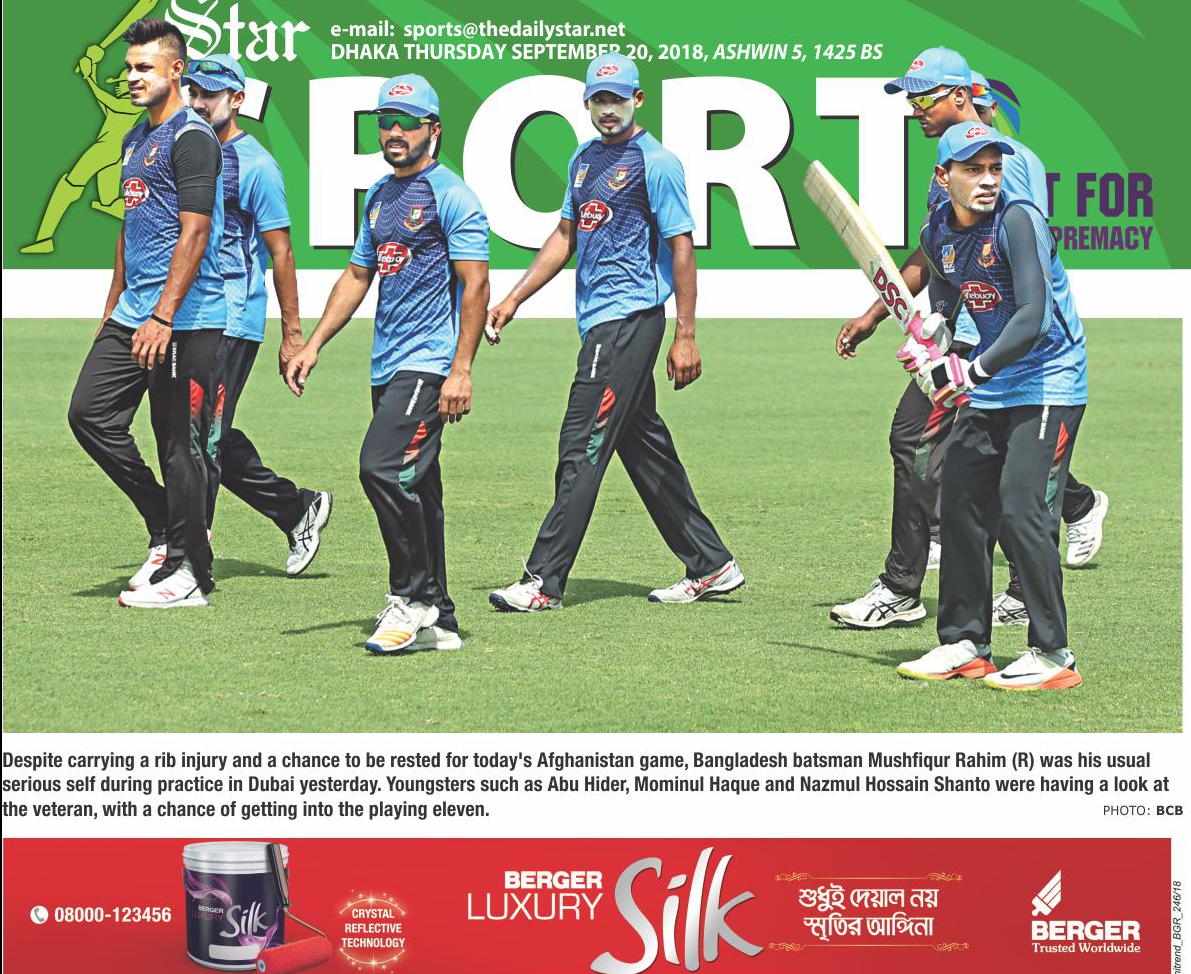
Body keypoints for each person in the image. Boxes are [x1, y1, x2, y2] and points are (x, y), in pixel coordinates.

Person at [829, 48, 1106, 630]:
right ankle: (922, 589)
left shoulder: (1010, 165)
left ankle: (969, 591)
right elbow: (941, 253)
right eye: (910, 99)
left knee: (954, 453)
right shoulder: (946, 163)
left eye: (923, 98)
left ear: (961, 96)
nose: (914, 109)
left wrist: (971, 353)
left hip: (1009, 348)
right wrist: (901, 319)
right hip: (962, 340)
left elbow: (1022, 252)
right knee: (941, 449)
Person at [486, 53, 741, 612]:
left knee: (581, 443)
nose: (608, 109)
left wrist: (686, 334)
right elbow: (564, 236)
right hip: (601, 321)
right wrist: (512, 298)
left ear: (637, 100)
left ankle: (542, 581)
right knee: (643, 446)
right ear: (587, 104)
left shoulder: (658, 163)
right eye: (599, 100)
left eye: (617, 99)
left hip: (629, 321)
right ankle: (711, 563)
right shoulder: (583, 160)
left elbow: (681, 247)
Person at [285, 74, 489, 653]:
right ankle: (441, 620)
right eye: (385, 121)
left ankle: (411, 598)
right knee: (420, 490)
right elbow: (358, 275)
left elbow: (476, 285)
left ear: (434, 129)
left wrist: (461, 369)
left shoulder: (452, 196)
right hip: (387, 366)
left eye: (407, 122)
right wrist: (314, 344)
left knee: (380, 467)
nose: (394, 131)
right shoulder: (379, 195)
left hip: (430, 364)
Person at [896, 122, 1087, 690]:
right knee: (960, 505)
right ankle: (964, 644)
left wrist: (971, 370)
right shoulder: (937, 231)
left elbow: (1032, 317)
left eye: (994, 169)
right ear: (943, 177)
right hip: (993, 386)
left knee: (1023, 508)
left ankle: (1053, 654)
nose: (988, 180)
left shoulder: (1019, 220)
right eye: (973, 169)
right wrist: (931, 341)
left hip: (1049, 382)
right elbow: (949, 296)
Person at [67, 17, 225, 608]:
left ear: (176, 70)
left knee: (177, 443)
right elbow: (129, 230)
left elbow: (195, 232)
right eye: (130, 67)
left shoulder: (193, 137)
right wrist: (115, 308)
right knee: (89, 415)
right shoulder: (135, 138)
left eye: (145, 68)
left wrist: (162, 315)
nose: (132, 76)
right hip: (135, 313)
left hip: (185, 316)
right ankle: (165, 526)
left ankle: (189, 575)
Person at [184, 54, 331, 576]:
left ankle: (189, 556)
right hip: (188, 316)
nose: (198, 103)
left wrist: (292, 335)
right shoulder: (186, 151)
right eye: (193, 92)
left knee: (202, 435)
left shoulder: (257, 166)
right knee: (196, 430)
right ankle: (296, 508)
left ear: (238, 100)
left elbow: (282, 253)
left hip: (231, 316)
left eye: (210, 94)